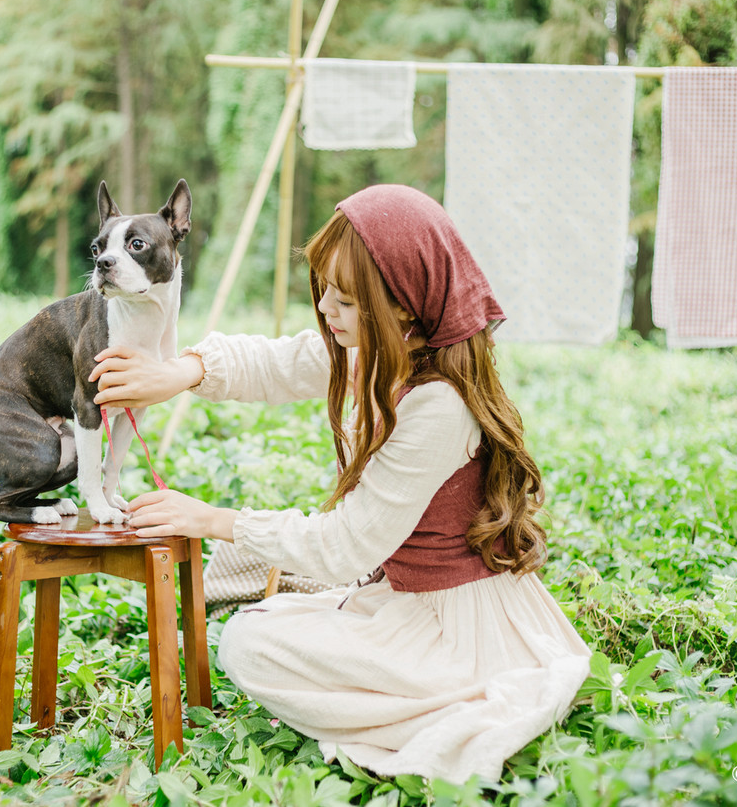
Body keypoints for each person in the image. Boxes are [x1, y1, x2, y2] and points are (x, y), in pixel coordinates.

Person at [88, 184, 592, 784]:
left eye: (346, 300)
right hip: (399, 591)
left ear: (404, 306)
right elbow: (279, 362)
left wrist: (210, 518)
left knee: (249, 642)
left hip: (455, 628)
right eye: (323, 287)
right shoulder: (384, 349)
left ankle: (441, 700)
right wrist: (176, 372)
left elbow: (344, 547)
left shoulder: (438, 406)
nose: (326, 308)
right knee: (253, 602)